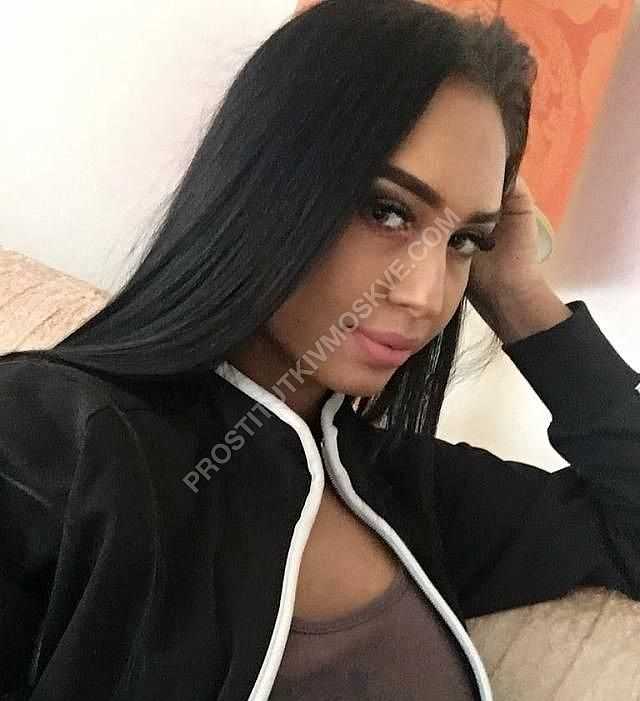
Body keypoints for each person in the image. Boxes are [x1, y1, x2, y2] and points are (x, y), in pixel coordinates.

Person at [1, 1, 639, 699]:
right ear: (267, 181)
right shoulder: (52, 436)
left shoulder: (404, 491)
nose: (427, 295)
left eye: (464, 241)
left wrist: (518, 295)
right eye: (387, 210)